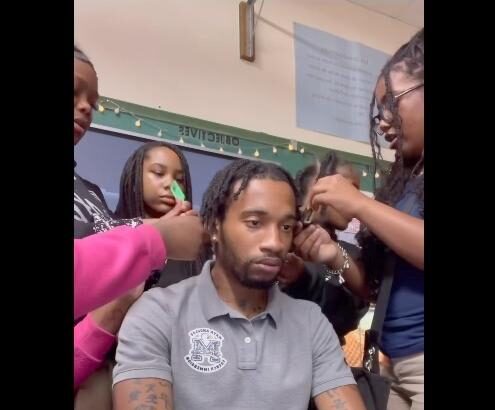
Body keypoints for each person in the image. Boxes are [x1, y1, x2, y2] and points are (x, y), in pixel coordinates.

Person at [112, 159, 365, 410]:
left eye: (286, 227)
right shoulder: (159, 312)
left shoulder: (311, 323)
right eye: (255, 223)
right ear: (214, 226)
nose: (275, 243)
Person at [304, 29, 424, 410]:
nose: (383, 121)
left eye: (393, 103)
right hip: (391, 365)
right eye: (379, 110)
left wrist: (359, 204)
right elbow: (377, 289)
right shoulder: (406, 185)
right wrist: (332, 254)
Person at [280, 152, 369, 346]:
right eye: (348, 189)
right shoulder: (279, 239)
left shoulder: (350, 254)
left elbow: (348, 316)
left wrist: (303, 278)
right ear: (316, 190)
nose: (354, 199)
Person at [114, 141, 203, 289]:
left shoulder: (193, 251)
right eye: (158, 173)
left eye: (180, 180)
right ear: (135, 177)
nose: (170, 183)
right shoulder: (111, 231)